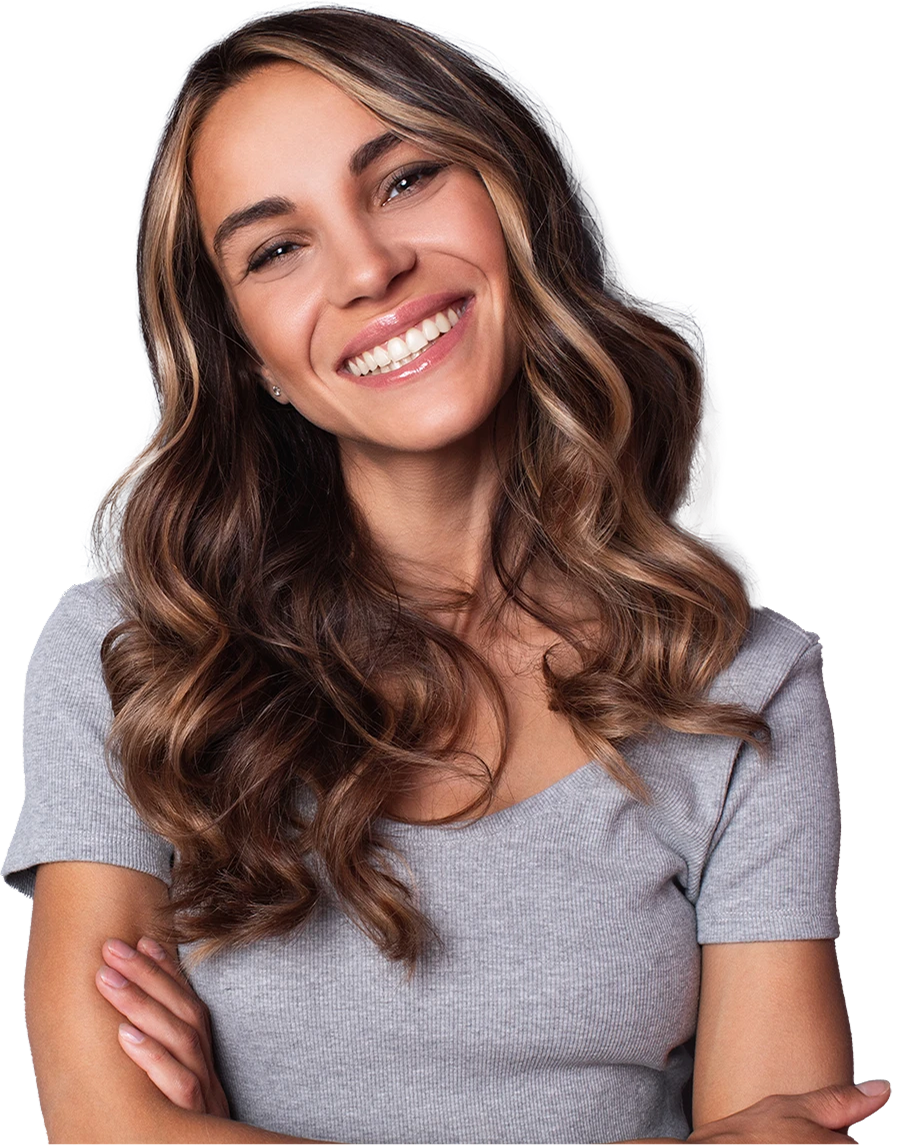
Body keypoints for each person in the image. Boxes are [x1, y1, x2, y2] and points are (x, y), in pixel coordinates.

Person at [3, 3, 892, 1143]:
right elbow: (106, 1135)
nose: (370, 267)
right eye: (277, 249)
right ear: (249, 359)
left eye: (406, 178)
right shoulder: (132, 661)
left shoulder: (743, 688)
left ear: (516, 205)